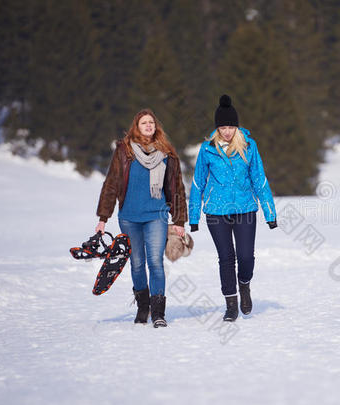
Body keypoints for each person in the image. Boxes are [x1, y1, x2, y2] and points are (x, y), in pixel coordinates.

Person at [95, 109, 187, 328]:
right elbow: (111, 184)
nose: (148, 126)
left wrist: (180, 220)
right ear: (136, 126)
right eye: (144, 122)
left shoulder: (166, 153)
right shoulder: (124, 151)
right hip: (129, 217)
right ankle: (143, 307)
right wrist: (103, 218)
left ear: (156, 127)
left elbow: (177, 189)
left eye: (151, 123)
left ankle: (158, 312)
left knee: (155, 262)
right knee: (137, 264)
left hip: (156, 216)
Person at [189, 95, 277, 322]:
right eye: (222, 127)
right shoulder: (207, 149)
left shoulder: (249, 146)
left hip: (245, 208)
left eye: (230, 127)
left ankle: (244, 284)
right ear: (217, 128)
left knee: (246, 257)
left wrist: (270, 213)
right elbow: (198, 183)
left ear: (236, 127)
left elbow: (259, 179)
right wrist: (194, 216)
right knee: (226, 258)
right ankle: (231, 304)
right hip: (216, 212)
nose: (226, 131)